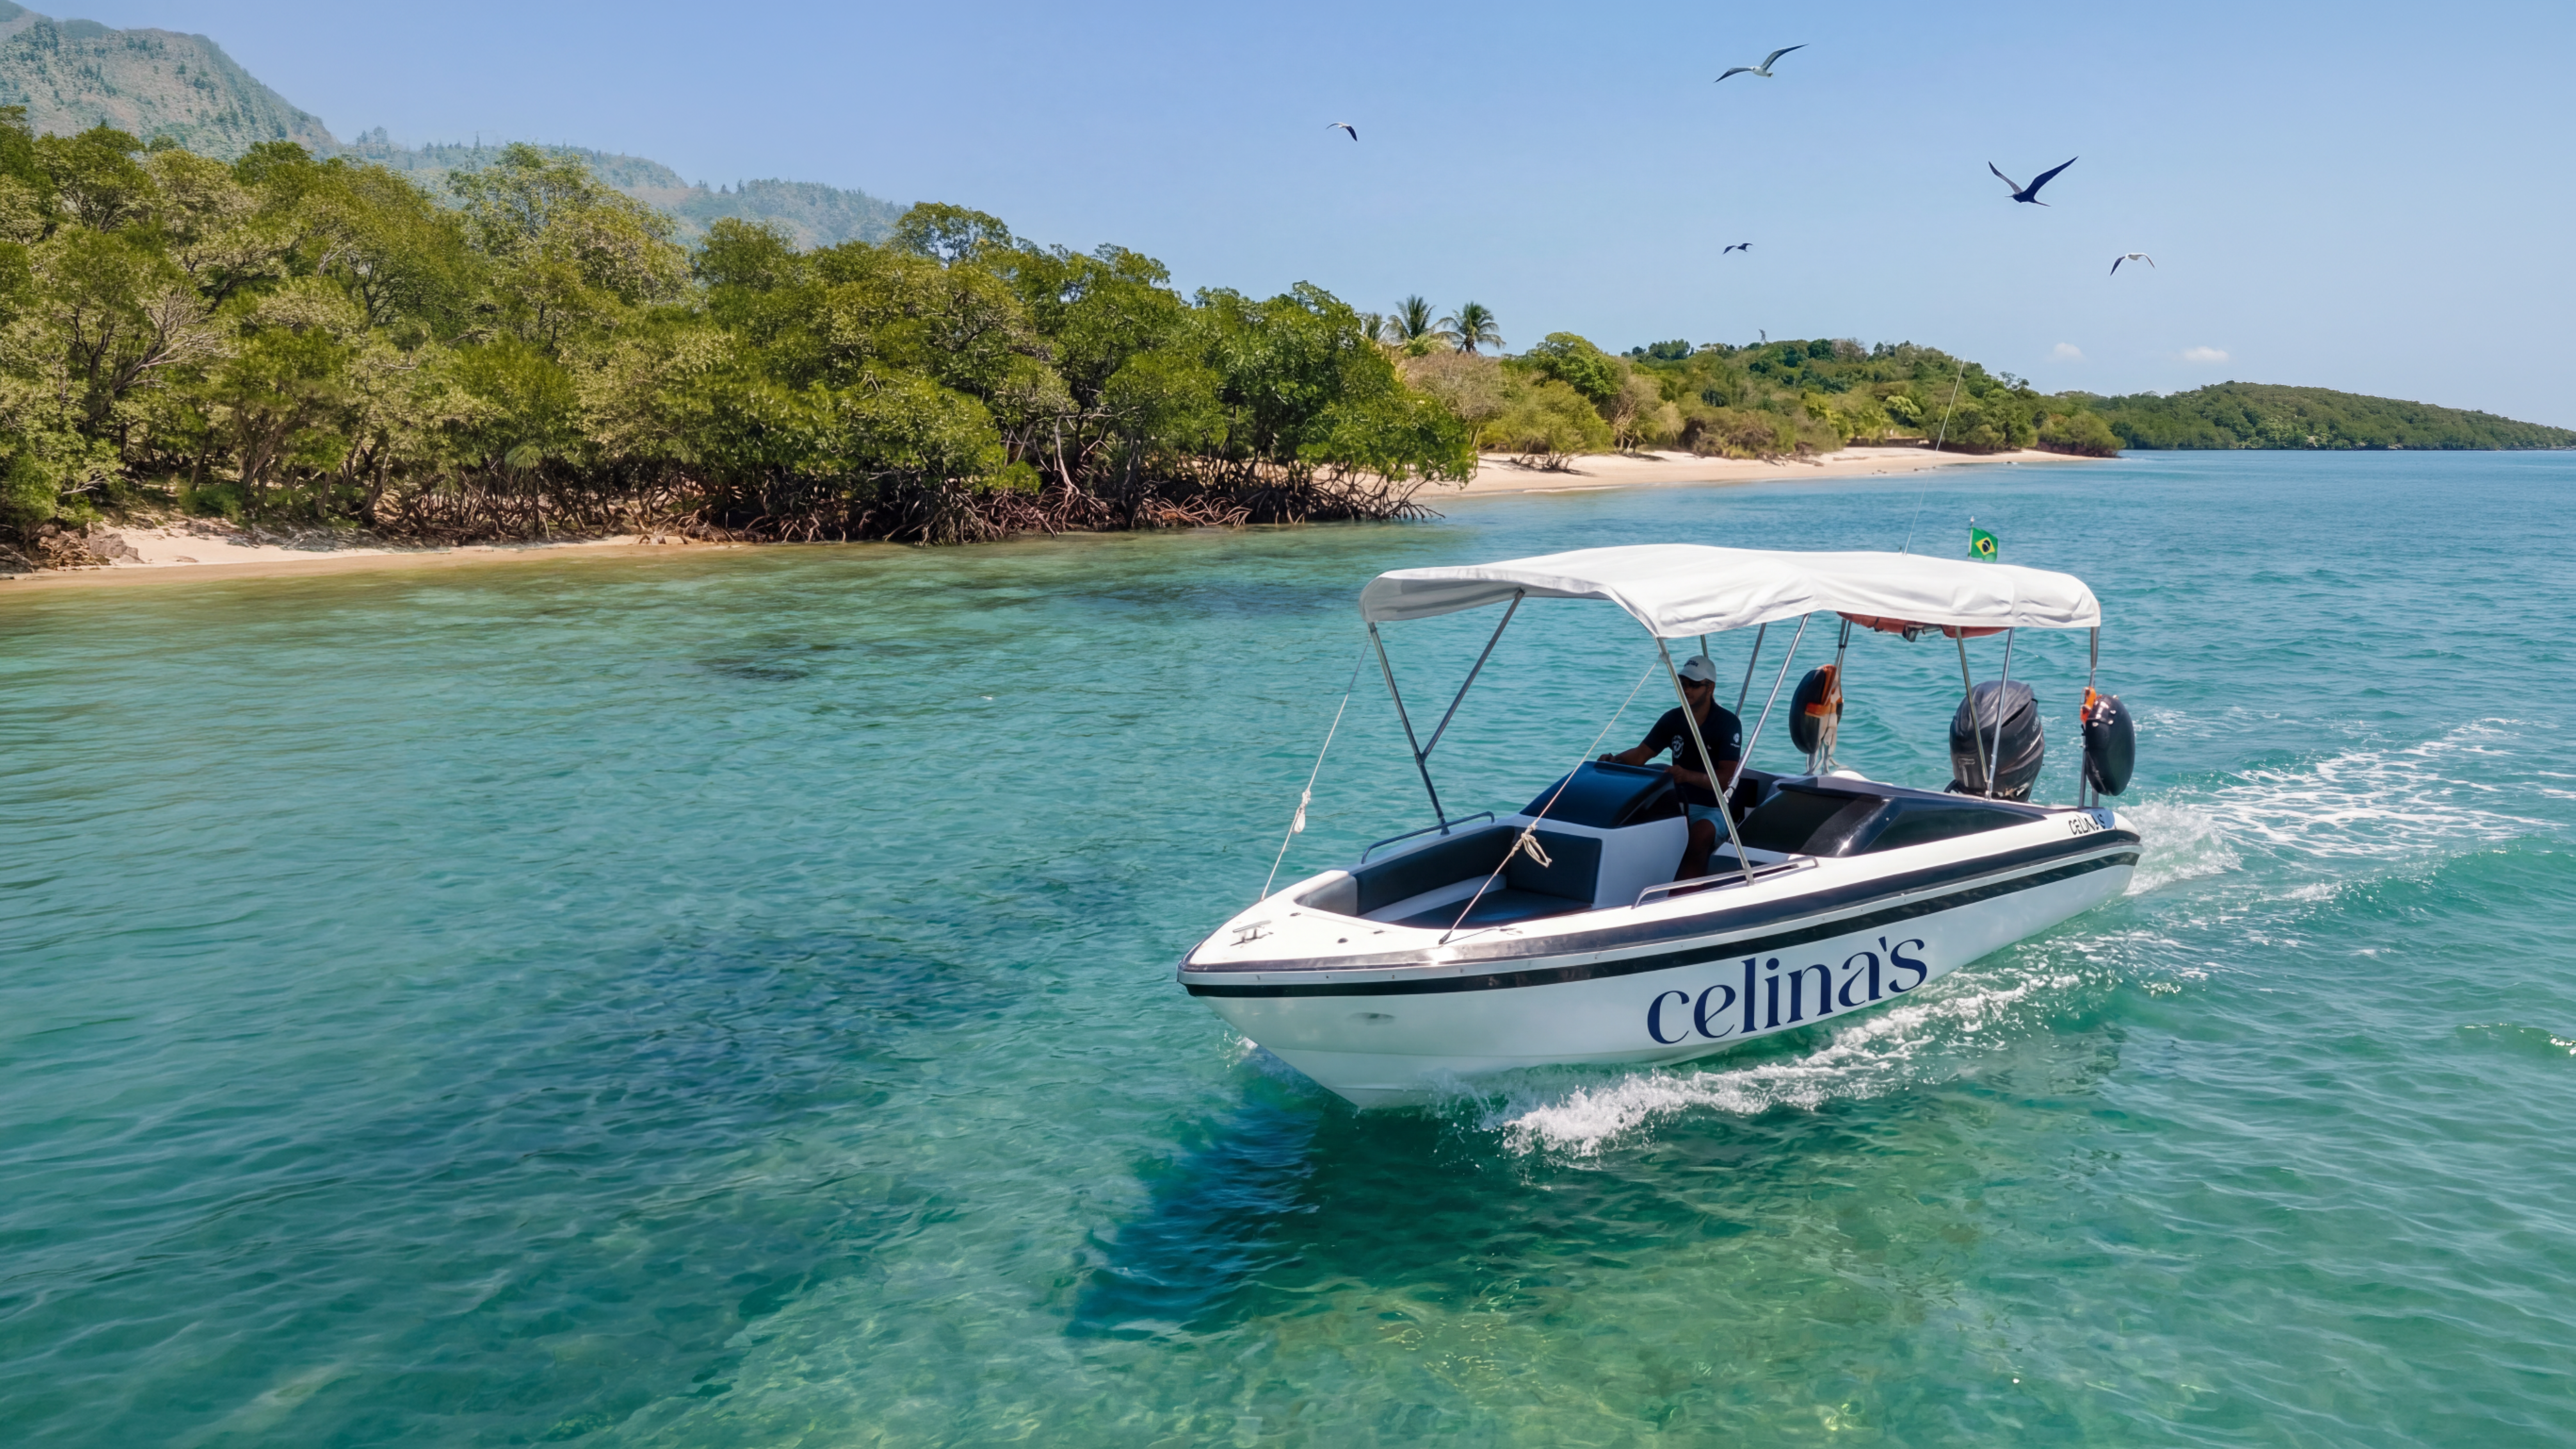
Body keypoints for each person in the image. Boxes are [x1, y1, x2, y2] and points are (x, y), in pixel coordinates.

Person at [1603, 655, 1745, 880]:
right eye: (1683, 683)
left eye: (1694, 685)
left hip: (1715, 808)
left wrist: (1687, 776)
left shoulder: (1728, 724)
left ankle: (1686, 896)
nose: (1687, 690)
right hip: (1678, 804)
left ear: (1711, 688)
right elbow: (1641, 755)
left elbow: (1727, 779)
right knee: (1635, 827)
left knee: (1699, 836)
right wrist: (1613, 760)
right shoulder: (1672, 719)